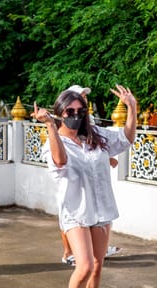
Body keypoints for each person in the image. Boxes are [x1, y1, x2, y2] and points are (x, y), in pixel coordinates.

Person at [34, 84, 137, 288]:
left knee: (98, 267)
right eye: (70, 110)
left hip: (101, 210)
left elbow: (126, 140)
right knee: (86, 265)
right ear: (60, 112)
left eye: (81, 110)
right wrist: (49, 126)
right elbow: (60, 162)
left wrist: (132, 108)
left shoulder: (96, 135)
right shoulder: (55, 140)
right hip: (76, 212)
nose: (76, 114)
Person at [61, 85, 121, 267]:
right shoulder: (67, 120)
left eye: (85, 96)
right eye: (80, 96)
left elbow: (93, 145)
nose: (84, 99)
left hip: (90, 176)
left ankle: (94, 248)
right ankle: (69, 252)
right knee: (69, 217)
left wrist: (107, 157)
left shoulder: (87, 118)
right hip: (71, 175)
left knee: (93, 216)